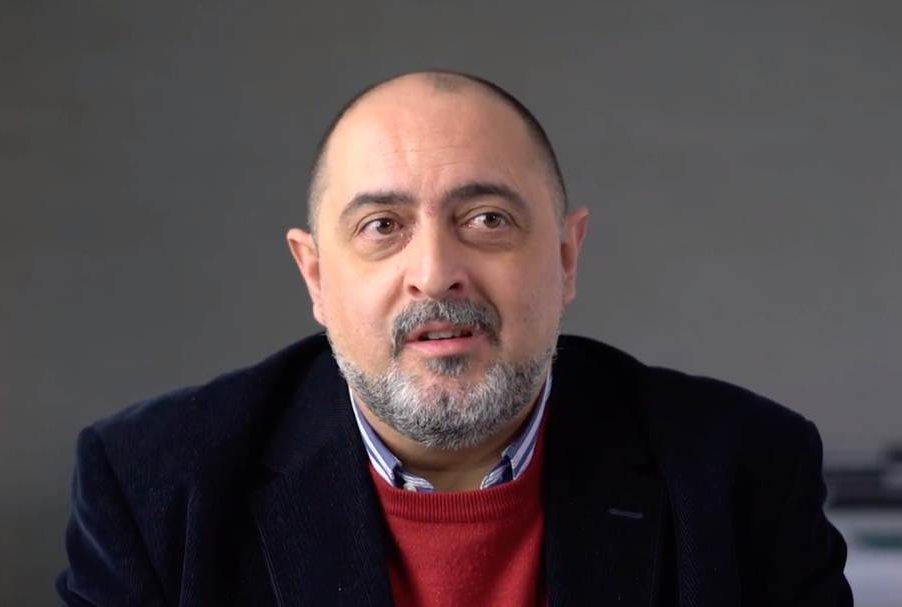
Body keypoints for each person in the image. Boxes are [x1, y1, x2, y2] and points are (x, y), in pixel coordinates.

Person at [57, 70, 853, 606]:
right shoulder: (155, 484)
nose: (435, 273)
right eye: (381, 226)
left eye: (487, 219)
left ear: (566, 257)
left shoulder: (742, 469)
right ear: (315, 276)